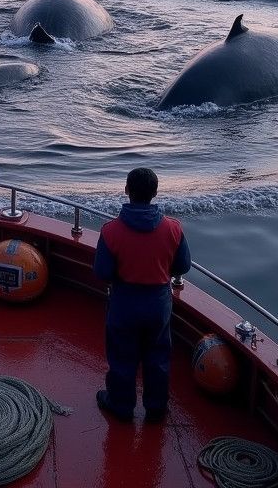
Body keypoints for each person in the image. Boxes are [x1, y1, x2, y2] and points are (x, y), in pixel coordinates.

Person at [92, 167, 191, 423]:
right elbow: (183, 266)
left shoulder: (110, 231)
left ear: (127, 190)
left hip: (124, 302)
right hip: (158, 303)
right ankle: (156, 407)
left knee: (122, 356)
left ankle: (121, 405)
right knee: (158, 357)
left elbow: (102, 271)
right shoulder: (173, 229)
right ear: (155, 193)